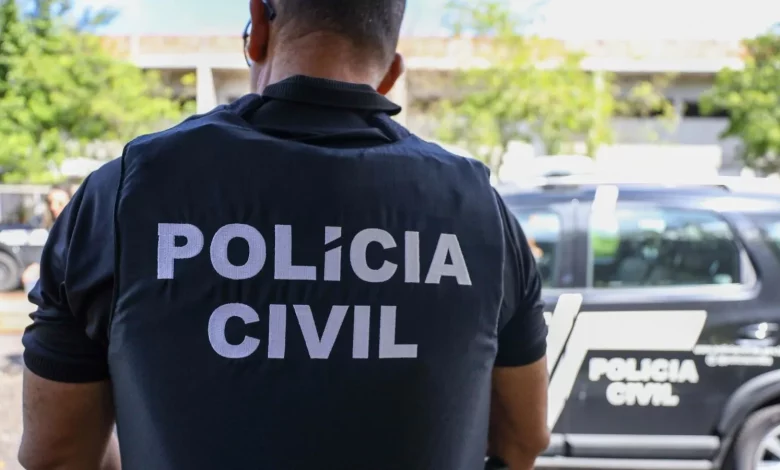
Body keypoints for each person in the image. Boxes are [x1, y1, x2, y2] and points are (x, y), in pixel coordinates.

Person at [18, 1, 549, 469]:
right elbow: (524, 440)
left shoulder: (122, 194)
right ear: (391, 73)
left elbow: (56, 455)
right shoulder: (481, 211)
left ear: (258, 27)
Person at [21, 185, 73, 294]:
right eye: (50, 202)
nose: (53, 207)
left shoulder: (76, 226)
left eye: (60, 203)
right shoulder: (43, 224)